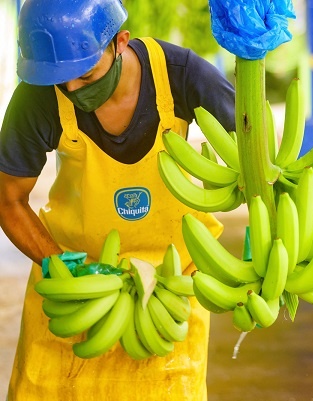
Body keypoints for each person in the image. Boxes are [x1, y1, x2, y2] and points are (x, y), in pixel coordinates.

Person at [0, 0, 235, 399]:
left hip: (169, 293)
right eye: (62, 80)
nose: (73, 89)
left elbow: (253, 152)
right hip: (77, 291)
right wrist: (55, 263)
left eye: (86, 74)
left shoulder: (180, 75)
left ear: (120, 42)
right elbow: (8, 199)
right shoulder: (39, 95)